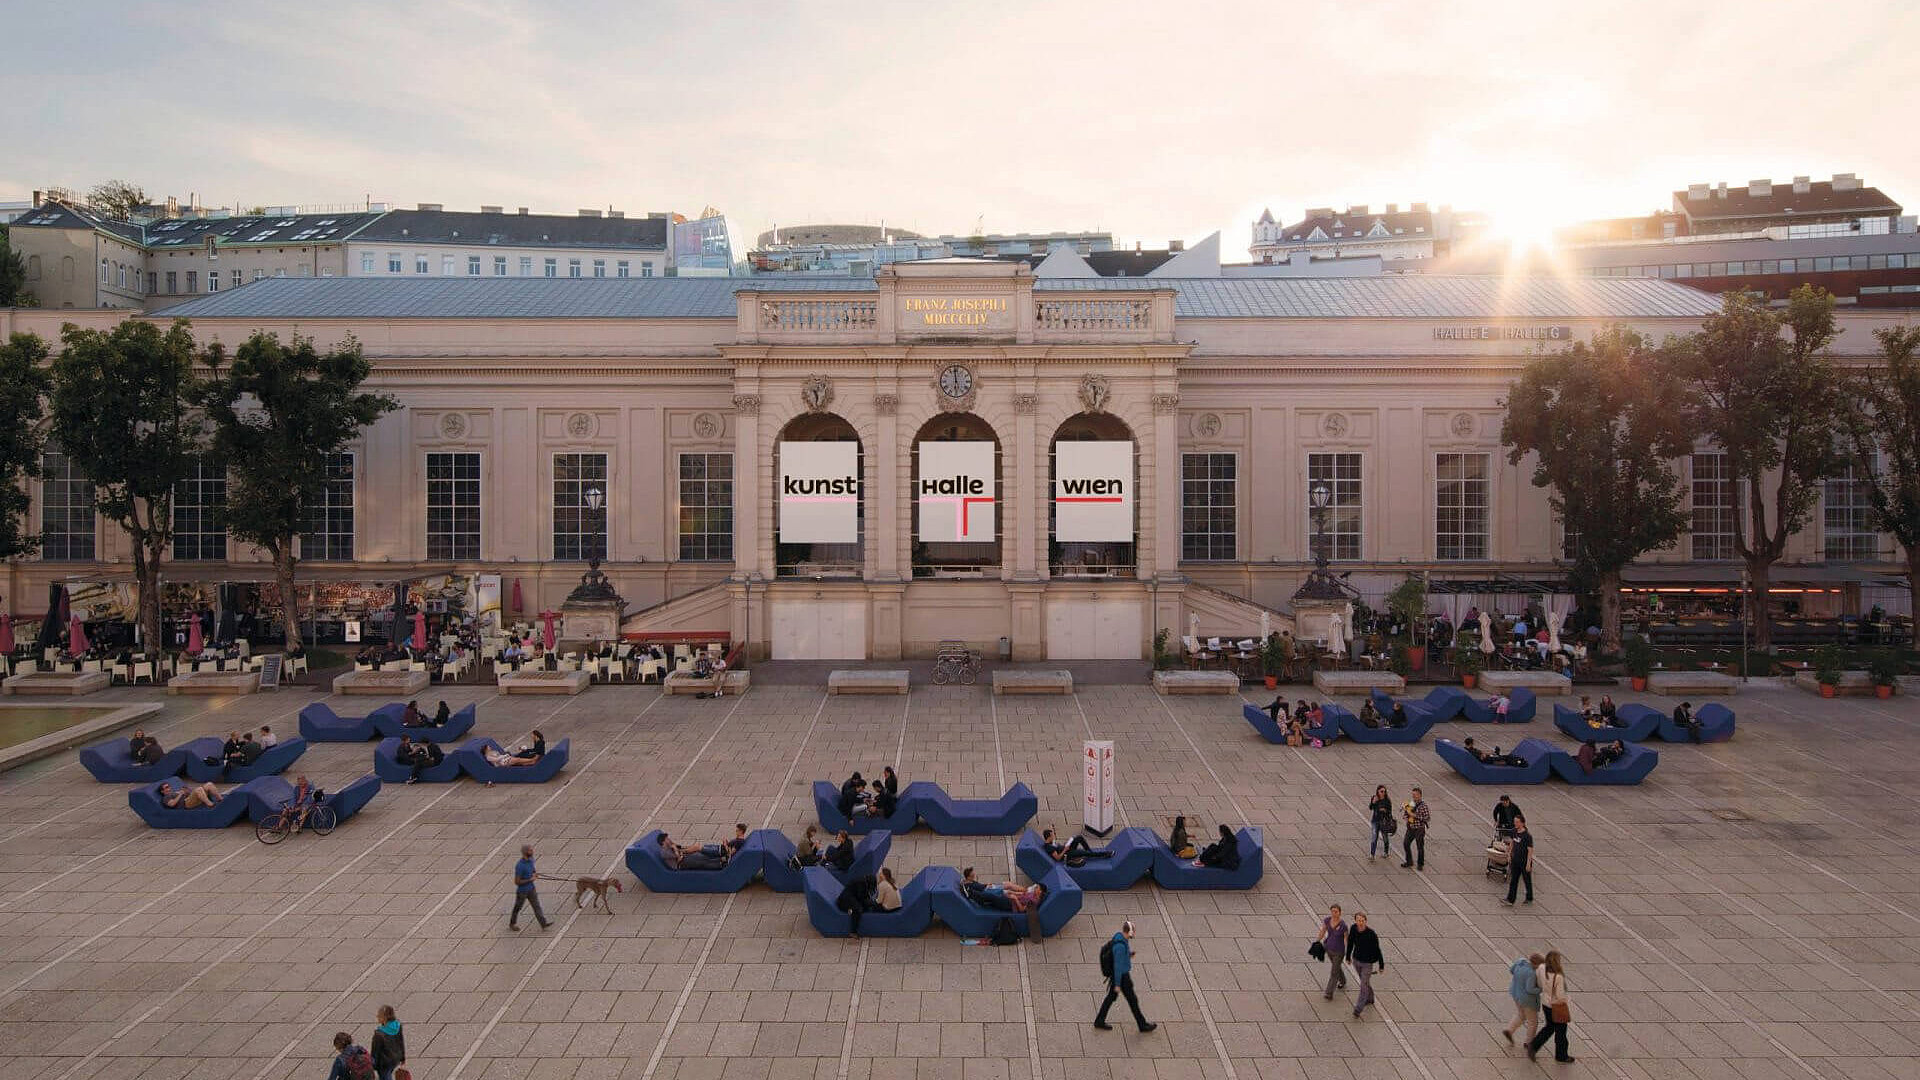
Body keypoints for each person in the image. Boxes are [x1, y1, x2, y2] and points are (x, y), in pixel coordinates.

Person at [1094, 920, 1156, 1033]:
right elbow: (1118, 967)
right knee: (1132, 1000)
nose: (1135, 933)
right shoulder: (1120, 947)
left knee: (1111, 998)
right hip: (1121, 977)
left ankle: (1099, 1020)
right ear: (1130, 932)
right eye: (1134, 931)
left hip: (1120, 976)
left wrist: (1128, 955)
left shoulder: (1119, 937)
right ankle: (1142, 1025)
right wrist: (1117, 984)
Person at [1526, 952, 1573, 1062]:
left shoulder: (1541, 968)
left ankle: (1533, 1046)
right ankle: (1561, 1055)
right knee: (1561, 1031)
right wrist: (1566, 1000)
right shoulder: (1558, 977)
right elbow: (1560, 996)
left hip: (1546, 1004)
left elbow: (1539, 982)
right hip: (1556, 1006)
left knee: (1550, 1027)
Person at [1345, 912, 1384, 1018]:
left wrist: (1381, 965)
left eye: (1362, 920)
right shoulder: (1353, 928)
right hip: (1356, 960)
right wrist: (1348, 956)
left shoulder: (1371, 934)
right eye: (1358, 920)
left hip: (1367, 963)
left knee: (1363, 985)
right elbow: (1350, 943)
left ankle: (1358, 1009)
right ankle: (1370, 998)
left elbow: (1377, 949)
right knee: (1364, 982)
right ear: (1355, 921)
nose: (1360, 922)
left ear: (1365, 921)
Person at [1503, 953, 1543, 1045]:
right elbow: (1530, 989)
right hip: (1527, 1000)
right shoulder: (1531, 973)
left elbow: (1511, 970)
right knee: (1533, 1022)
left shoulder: (1520, 962)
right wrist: (1541, 989)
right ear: (1535, 964)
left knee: (1521, 1014)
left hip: (1515, 994)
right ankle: (1529, 1042)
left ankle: (1509, 1030)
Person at [510, 844, 552, 931]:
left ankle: (543, 923)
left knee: (537, 906)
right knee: (518, 907)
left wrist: (534, 873)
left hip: (531, 889)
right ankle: (512, 923)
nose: (532, 852)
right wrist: (530, 879)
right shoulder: (520, 866)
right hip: (522, 891)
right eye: (530, 850)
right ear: (525, 852)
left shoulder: (531, 860)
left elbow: (532, 869)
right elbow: (517, 882)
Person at [1318, 904, 1349, 1000]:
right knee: (1336, 967)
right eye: (1332, 911)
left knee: (1334, 972)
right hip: (1329, 948)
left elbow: (1346, 938)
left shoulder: (1343, 925)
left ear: (1340, 912)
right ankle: (1343, 981)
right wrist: (1317, 941)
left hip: (1339, 951)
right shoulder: (1327, 920)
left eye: (1336, 911)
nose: (1334, 913)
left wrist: (1347, 952)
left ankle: (1329, 993)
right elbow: (1323, 931)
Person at [836, 873, 881, 937]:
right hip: (845, 901)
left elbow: (863, 897)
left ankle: (849, 910)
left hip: (851, 898)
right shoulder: (861, 884)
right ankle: (853, 932)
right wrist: (874, 904)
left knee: (862, 906)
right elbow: (862, 898)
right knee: (858, 910)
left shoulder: (863, 881)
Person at [369, 1005, 405, 1080]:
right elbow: (401, 1042)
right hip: (396, 1058)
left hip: (384, 1063)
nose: (377, 1016)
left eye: (379, 1015)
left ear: (385, 1018)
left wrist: (372, 1066)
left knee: (385, 1076)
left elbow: (375, 1052)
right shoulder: (397, 1025)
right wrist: (402, 1057)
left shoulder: (379, 1034)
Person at [1504, 817, 1534, 905]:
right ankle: (1510, 899)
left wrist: (1528, 864)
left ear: (1522, 823)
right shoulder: (1514, 831)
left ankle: (1529, 897)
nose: (1515, 824)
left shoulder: (1527, 836)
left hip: (1524, 861)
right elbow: (1512, 842)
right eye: (1515, 822)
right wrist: (1509, 853)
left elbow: (1530, 850)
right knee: (1514, 880)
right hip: (1515, 860)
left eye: (1517, 822)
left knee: (1527, 880)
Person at [1401, 789, 1429, 870]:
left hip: (1419, 829)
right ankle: (1409, 861)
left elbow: (1427, 818)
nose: (1413, 796)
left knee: (1419, 846)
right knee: (1406, 843)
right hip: (1410, 827)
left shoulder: (1423, 806)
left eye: (1415, 795)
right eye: (1413, 795)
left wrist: (1414, 815)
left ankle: (1420, 864)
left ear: (1420, 795)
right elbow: (1406, 813)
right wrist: (1406, 816)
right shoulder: (1411, 804)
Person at [1367, 785, 1395, 858]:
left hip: (1384, 821)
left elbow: (1390, 812)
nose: (1383, 793)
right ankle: (1372, 854)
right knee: (1374, 837)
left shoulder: (1387, 800)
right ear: (1378, 791)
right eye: (1381, 791)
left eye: (1384, 791)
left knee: (1385, 837)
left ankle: (1386, 852)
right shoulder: (1374, 798)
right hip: (1375, 821)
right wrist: (1373, 802)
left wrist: (1385, 810)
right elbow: (1370, 808)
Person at [158, 780, 222, 809]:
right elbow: (172, 804)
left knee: (209, 784)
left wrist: (186, 792)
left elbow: (189, 794)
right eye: (166, 787)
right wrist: (180, 794)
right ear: (162, 791)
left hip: (190, 799)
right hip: (186, 804)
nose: (169, 788)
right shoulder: (166, 797)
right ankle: (211, 805)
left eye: (169, 786)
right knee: (199, 789)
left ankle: (221, 800)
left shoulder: (174, 792)